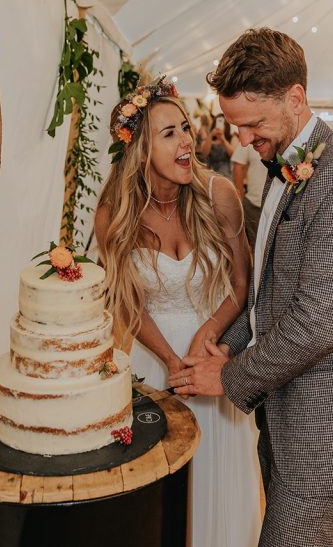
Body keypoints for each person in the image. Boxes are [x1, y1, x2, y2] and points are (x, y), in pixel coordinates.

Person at [168, 27, 333, 547]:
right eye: (236, 126)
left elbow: (316, 324)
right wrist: (223, 345)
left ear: (295, 98)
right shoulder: (284, 165)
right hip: (287, 415)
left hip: (331, 426)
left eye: (252, 124)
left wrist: (228, 378)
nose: (244, 141)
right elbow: (271, 292)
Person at [95, 79, 259, 547]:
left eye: (185, 127)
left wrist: (209, 332)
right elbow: (128, 303)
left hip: (215, 355)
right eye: (169, 133)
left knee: (222, 478)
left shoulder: (219, 194)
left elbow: (243, 284)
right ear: (141, 149)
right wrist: (169, 360)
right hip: (156, 362)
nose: (187, 140)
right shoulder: (113, 214)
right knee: (163, 486)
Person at [231, 140, 264, 246]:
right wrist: (240, 197)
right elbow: (238, 165)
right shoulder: (250, 137)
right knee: (255, 247)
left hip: (280, 205)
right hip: (254, 204)